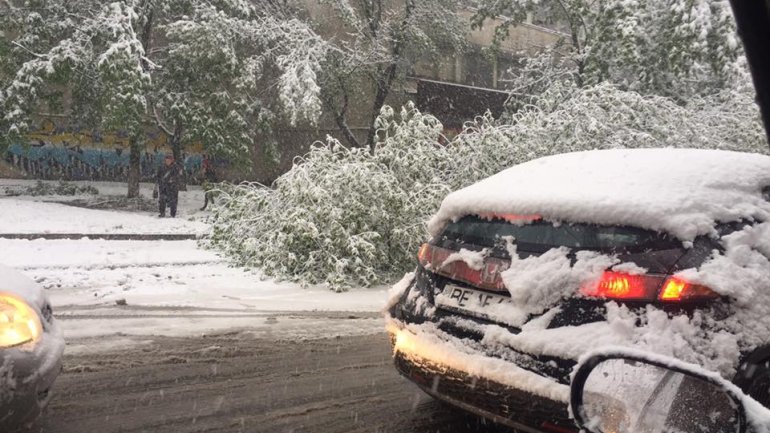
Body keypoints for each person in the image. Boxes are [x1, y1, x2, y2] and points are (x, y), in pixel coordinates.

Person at [156, 152, 182, 217]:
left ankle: (173, 214)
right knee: (162, 199)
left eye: (169, 159)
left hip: (173, 187)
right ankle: (162, 213)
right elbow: (158, 176)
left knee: (173, 201)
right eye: (166, 159)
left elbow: (177, 176)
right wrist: (159, 183)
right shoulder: (161, 167)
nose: (168, 161)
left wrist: (173, 180)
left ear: (172, 160)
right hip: (163, 186)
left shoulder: (175, 167)